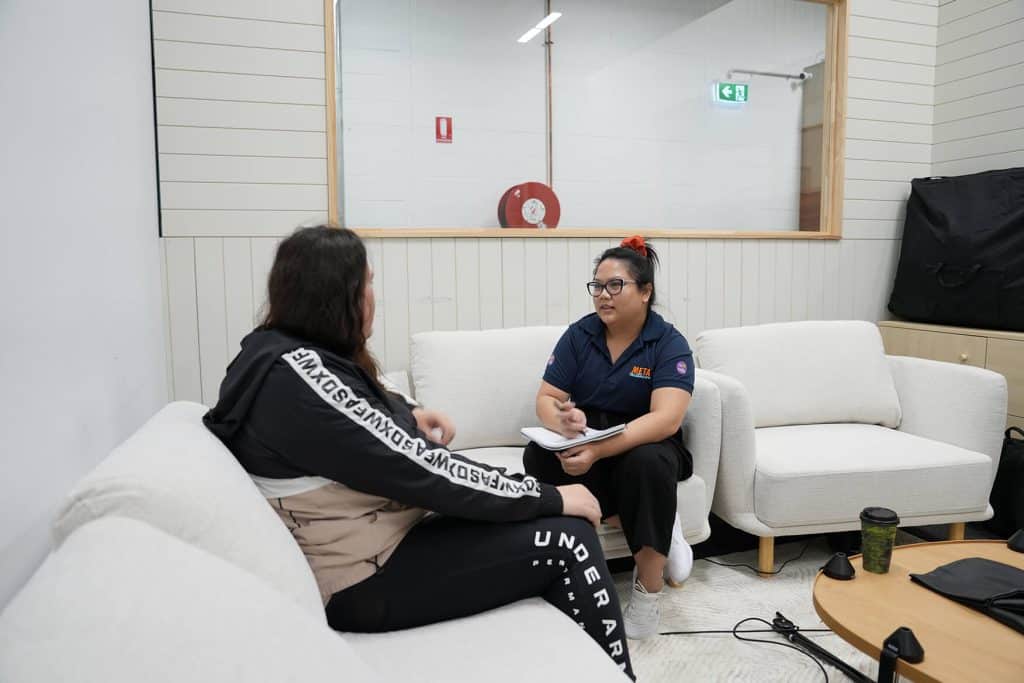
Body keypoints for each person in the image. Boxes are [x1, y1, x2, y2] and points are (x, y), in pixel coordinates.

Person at [203, 225, 634, 678]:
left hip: (382, 541)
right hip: (362, 581)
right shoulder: (300, 380)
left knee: (548, 522)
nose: (373, 296)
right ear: (337, 295)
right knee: (570, 538)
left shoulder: (277, 349)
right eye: (367, 283)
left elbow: (364, 408)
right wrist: (553, 495)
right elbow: (428, 470)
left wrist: (410, 413)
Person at [523, 235, 696, 640]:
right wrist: (563, 423)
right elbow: (547, 398)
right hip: (593, 435)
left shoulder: (668, 343)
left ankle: (648, 591)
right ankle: (659, 521)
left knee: (646, 464)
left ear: (645, 291)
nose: (603, 296)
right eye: (597, 286)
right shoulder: (580, 335)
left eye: (615, 286)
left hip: (646, 441)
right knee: (538, 458)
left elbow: (666, 420)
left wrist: (597, 450)